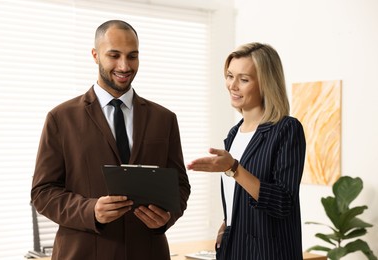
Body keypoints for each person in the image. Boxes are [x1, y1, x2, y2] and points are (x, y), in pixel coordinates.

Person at [31, 20, 190, 260]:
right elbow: (42, 192)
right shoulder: (61, 118)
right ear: (95, 55)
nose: (124, 66)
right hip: (83, 253)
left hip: (148, 252)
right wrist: (90, 210)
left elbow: (180, 185)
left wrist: (167, 217)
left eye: (132, 56)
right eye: (114, 55)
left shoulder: (164, 118)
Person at [187, 42, 306, 260]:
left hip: (269, 253)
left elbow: (282, 202)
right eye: (230, 76)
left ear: (266, 84)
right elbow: (239, 195)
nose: (233, 85)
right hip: (234, 246)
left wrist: (234, 168)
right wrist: (227, 223)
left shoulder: (287, 129)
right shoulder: (234, 134)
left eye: (244, 79)